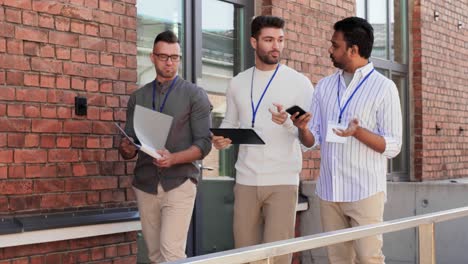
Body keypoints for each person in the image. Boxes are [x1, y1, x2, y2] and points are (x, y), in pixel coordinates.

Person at [292, 17, 402, 264]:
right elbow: (313, 139)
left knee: (369, 259)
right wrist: (302, 129)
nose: (330, 50)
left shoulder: (384, 88)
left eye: (335, 45)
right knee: (337, 260)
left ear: (353, 50)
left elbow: (393, 146)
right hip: (330, 192)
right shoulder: (324, 86)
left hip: (365, 191)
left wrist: (358, 133)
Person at [212, 15, 314, 264]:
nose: (276, 46)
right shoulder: (237, 82)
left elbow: (310, 140)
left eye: (280, 39)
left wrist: (292, 125)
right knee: (244, 256)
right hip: (246, 179)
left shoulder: (300, 83)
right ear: (253, 42)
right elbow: (230, 123)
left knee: (279, 257)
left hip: (282, 180)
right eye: (269, 40)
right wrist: (221, 139)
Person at [119, 30, 212, 263]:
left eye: (175, 57)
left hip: (179, 182)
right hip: (145, 183)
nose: (169, 62)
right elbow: (129, 142)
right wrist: (127, 149)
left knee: (172, 253)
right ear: (152, 57)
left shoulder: (195, 95)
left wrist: (174, 158)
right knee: (154, 255)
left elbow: (204, 144)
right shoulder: (138, 97)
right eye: (163, 56)